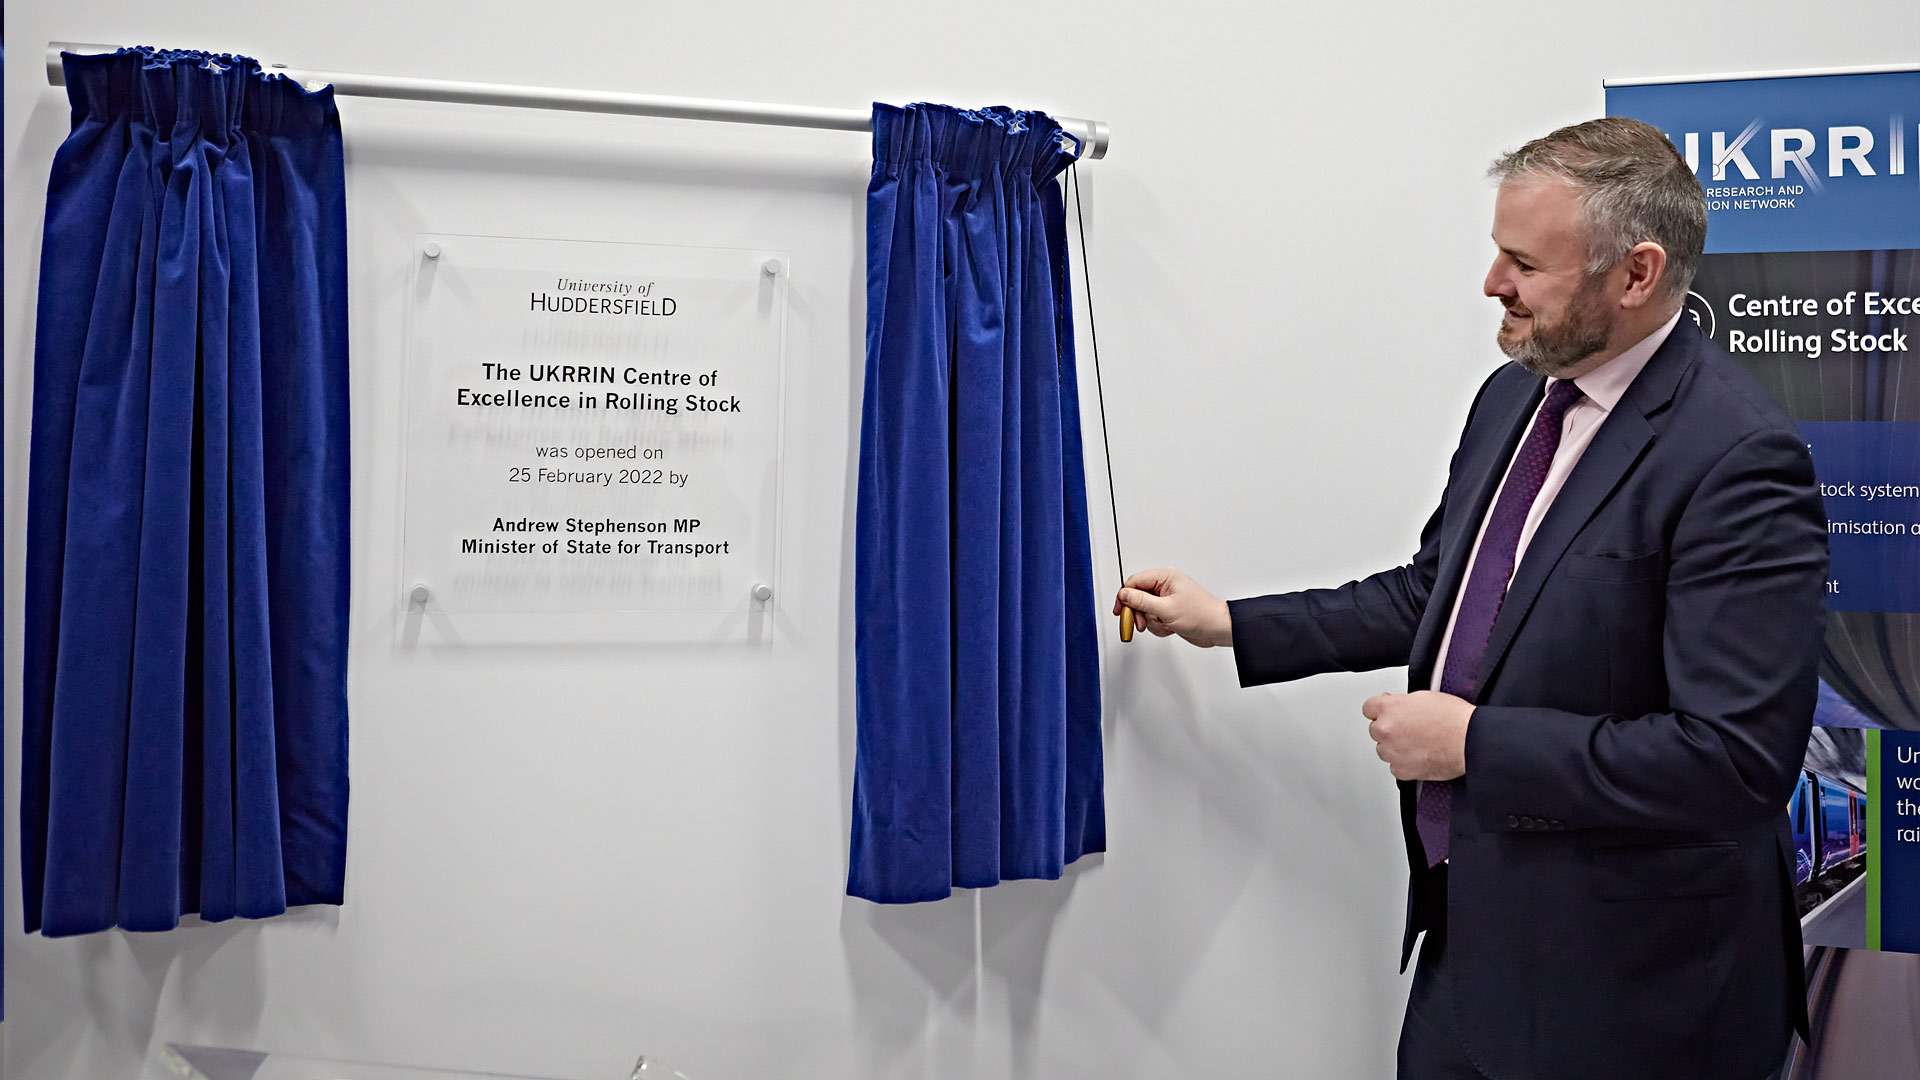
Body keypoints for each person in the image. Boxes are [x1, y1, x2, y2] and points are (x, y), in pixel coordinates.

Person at [1115, 118, 1827, 1080]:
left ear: (1636, 274)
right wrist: (1232, 624)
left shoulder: (1738, 460)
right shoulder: (1514, 400)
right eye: (1498, 250)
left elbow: (1733, 761)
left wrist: (1470, 745)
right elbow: (1441, 594)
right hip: (1472, 945)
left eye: (1524, 262)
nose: (1492, 283)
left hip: (1636, 996)